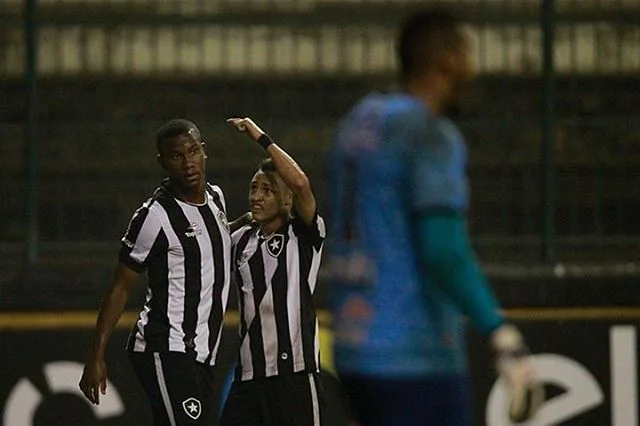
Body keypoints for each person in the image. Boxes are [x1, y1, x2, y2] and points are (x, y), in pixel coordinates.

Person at [327, 8, 542, 426]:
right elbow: (444, 250)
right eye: (467, 55)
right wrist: (500, 333)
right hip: (414, 354)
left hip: (353, 349)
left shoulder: (358, 123)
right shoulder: (430, 134)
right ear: (447, 59)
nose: (473, 70)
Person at [79, 118, 240, 425]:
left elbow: (209, 243)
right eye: (177, 156)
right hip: (165, 346)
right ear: (162, 162)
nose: (188, 163)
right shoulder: (154, 216)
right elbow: (120, 287)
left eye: (193, 151)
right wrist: (96, 356)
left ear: (204, 152)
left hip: (202, 352)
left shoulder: (217, 198)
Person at [220, 117, 327, 426]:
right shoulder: (240, 240)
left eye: (267, 189)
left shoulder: (304, 236)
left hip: (294, 374)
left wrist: (260, 137)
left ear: (287, 199)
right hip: (250, 376)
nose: (256, 196)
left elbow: (301, 182)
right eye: (254, 188)